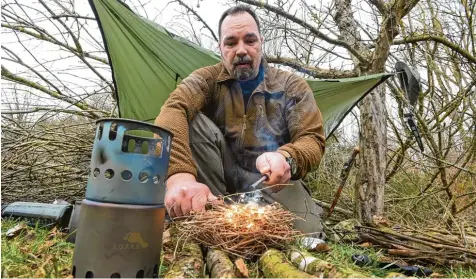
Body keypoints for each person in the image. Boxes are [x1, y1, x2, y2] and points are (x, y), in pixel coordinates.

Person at [155, 5, 326, 236]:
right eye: (231, 43)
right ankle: (207, 213)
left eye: (250, 40)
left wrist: (287, 158)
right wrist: (178, 176)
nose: (241, 50)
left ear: (261, 42)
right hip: (217, 182)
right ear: (220, 47)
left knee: (307, 233)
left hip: (270, 183)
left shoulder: (291, 86)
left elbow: (312, 139)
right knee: (189, 120)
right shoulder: (207, 79)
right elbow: (172, 109)